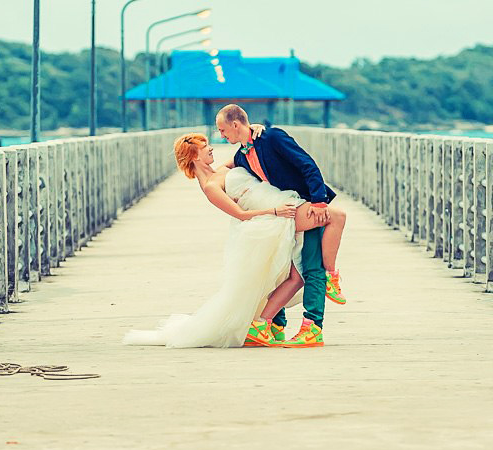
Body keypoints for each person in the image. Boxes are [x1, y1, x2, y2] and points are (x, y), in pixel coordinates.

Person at [122, 133, 335, 349]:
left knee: (279, 275)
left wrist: (255, 131)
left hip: (277, 215)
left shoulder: (223, 169)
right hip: (267, 220)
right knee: (290, 273)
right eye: (205, 147)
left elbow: (245, 151)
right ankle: (268, 324)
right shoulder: (210, 188)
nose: (211, 148)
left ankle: (271, 327)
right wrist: (274, 211)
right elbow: (240, 214)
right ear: (194, 155)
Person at [216, 104, 346, 348]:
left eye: (223, 130)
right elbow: (223, 169)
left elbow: (307, 164)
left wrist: (318, 201)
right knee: (283, 269)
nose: (222, 136)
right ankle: (274, 325)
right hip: (287, 210)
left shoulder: (272, 137)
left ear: (236, 124)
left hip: (308, 204)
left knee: (312, 266)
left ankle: (313, 327)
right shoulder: (242, 155)